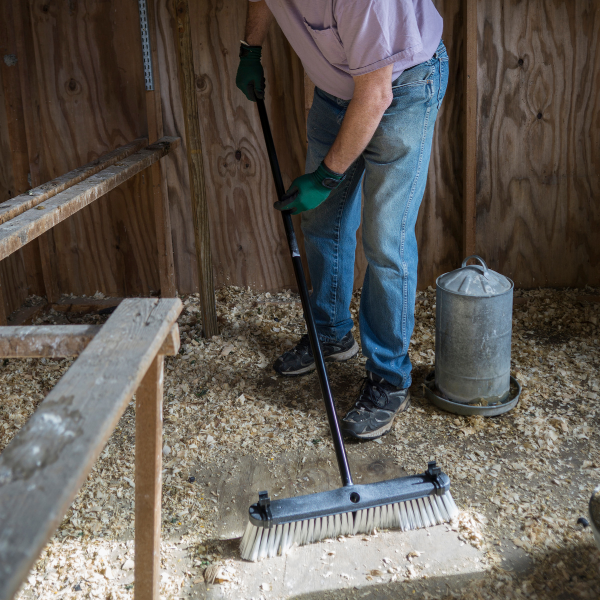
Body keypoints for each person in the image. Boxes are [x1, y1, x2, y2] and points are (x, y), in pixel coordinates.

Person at [236, 0, 448, 441]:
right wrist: (249, 49)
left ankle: (390, 377)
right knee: (320, 224)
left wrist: (327, 175)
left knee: (385, 241)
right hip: (337, 92)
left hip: (401, 89)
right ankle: (331, 335)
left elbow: (377, 94)